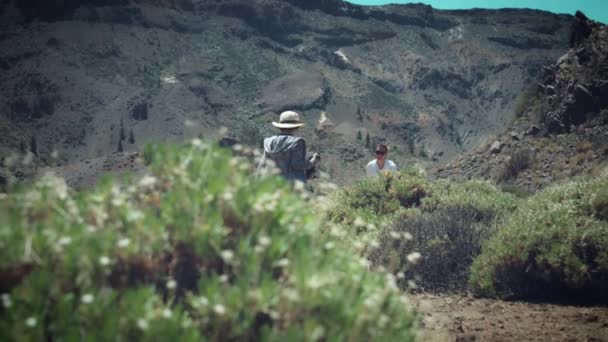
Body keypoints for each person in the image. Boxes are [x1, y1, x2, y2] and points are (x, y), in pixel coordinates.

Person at [259, 110, 319, 182]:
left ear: (280, 127)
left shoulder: (269, 141)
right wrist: (313, 161)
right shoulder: (297, 142)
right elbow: (298, 165)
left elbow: (262, 164)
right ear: (296, 128)